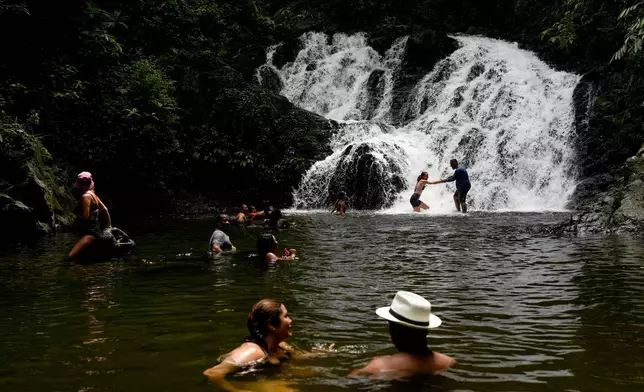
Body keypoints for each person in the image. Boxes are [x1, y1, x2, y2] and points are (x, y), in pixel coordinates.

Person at [203, 299, 333, 391]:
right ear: (271, 326)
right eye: (286, 316)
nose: (290, 320)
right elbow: (212, 373)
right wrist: (236, 391)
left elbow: (298, 357)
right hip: (245, 383)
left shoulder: (281, 345)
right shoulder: (252, 352)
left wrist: (321, 354)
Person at [349, 291, 455, 379]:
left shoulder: (380, 365)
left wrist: (331, 355)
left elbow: (347, 382)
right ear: (426, 331)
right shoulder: (447, 362)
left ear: (394, 331)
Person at [68, 171, 112, 261]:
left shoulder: (86, 197)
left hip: (90, 232)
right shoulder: (93, 195)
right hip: (95, 231)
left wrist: (74, 218)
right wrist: (108, 225)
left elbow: (85, 216)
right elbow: (105, 209)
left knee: (71, 257)